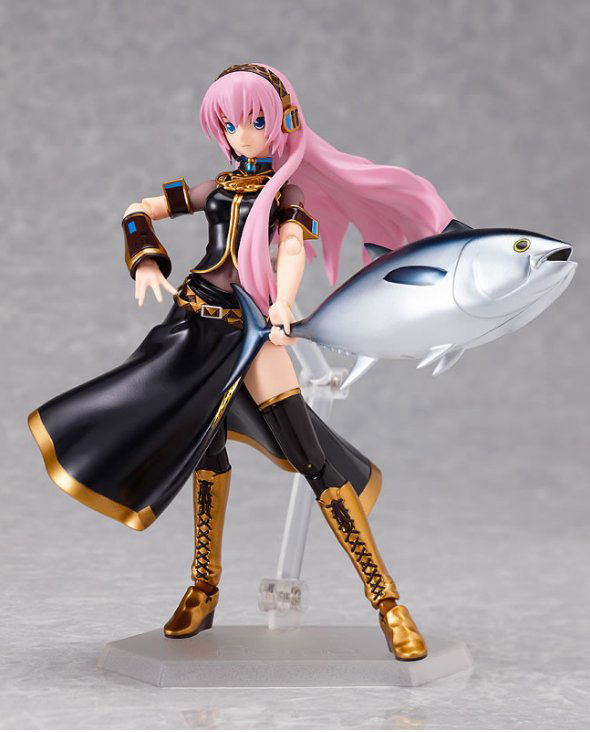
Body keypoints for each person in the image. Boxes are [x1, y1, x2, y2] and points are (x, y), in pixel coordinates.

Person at [29, 63, 455, 661]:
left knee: (313, 458)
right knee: (203, 450)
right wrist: (145, 259)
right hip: (194, 327)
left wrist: (282, 300)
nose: (242, 135)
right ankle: (203, 588)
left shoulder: (287, 194)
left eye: (254, 121)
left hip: (253, 330)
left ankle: (388, 602)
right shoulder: (218, 186)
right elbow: (138, 209)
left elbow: (290, 247)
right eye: (230, 124)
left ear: (282, 120)